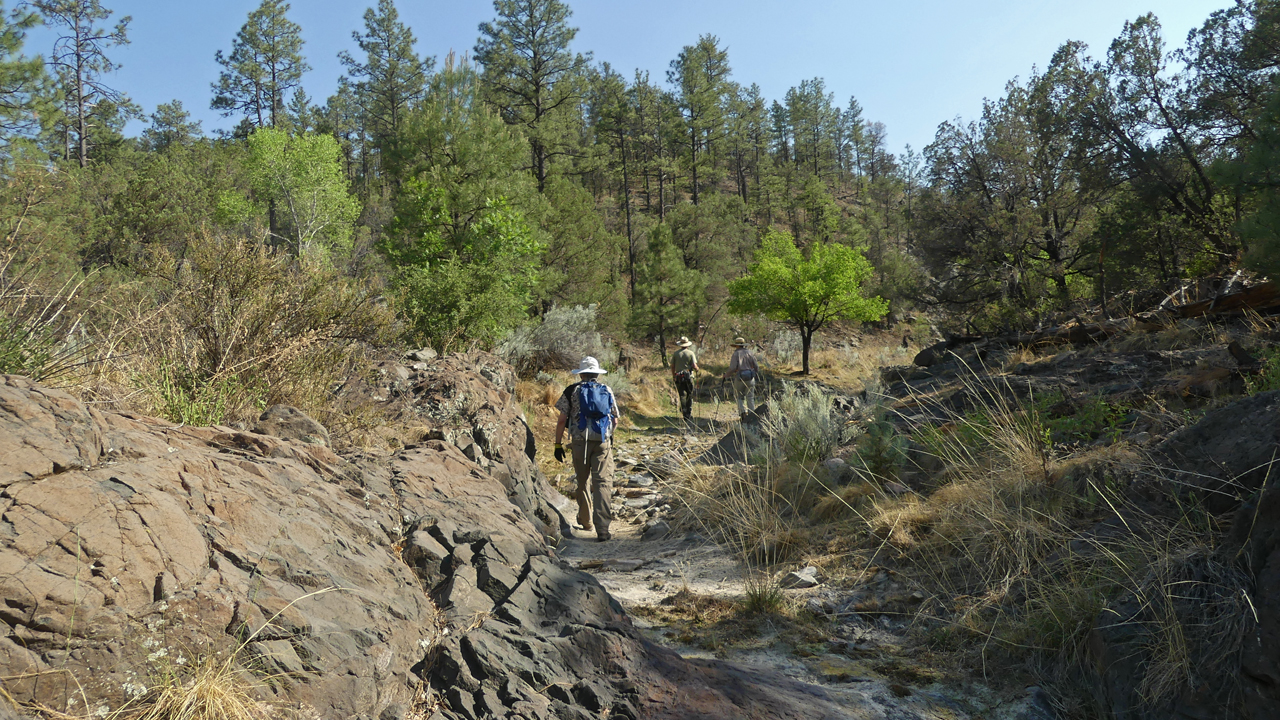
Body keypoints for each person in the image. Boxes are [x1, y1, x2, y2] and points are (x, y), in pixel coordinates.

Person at [553, 356, 620, 541]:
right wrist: (608, 436)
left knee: (583, 480)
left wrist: (558, 444)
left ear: (580, 373)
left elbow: (561, 420)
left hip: (579, 441)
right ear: (597, 373)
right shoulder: (606, 389)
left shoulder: (571, 391)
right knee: (603, 483)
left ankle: (586, 520)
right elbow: (615, 419)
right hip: (602, 442)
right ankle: (603, 530)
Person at [725, 337, 759, 419]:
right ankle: (751, 415)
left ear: (736, 345)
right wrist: (755, 373)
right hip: (750, 377)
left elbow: (732, 368)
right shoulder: (750, 353)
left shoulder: (736, 354)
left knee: (739, 396)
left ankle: (742, 413)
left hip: (740, 377)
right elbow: (756, 366)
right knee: (750, 397)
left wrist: (726, 375)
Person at [670, 336, 699, 421]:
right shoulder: (690, 353)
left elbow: (672, 366)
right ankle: (688, 413)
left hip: (679, 377)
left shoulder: (676, 354)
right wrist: (697, 369)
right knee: (689, 394)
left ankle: (684, 412)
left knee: (682, 395)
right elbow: (694, 366)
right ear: (687, 345)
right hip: (689, 377)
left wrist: (674, 376)